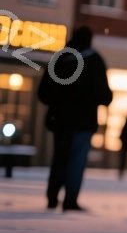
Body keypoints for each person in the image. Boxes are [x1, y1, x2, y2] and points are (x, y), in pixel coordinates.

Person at [37, 26, 113, 212]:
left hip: (60, 120)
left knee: (60, 157)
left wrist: (59, 101)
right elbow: (104, 96)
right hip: (83, 121)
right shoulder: (94, 61)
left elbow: (44, 93)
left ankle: (52, 197)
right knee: (76, 160)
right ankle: (70, 199)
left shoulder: (60, 58)